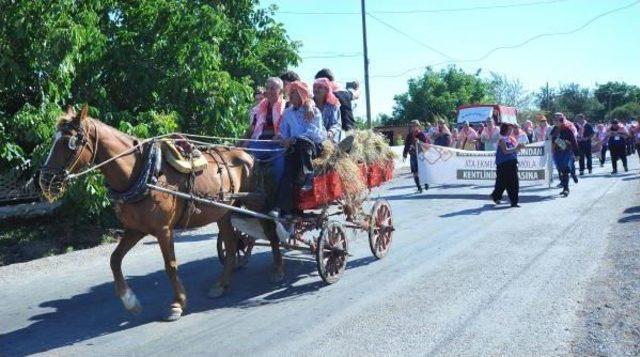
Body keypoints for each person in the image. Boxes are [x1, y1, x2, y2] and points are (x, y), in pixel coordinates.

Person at [272, 81, 326, 219]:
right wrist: (281, 138)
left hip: (313, 146)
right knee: (288, 170)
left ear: (302, 95)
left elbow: (314, 133)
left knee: (303, 143)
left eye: (294, 94)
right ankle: (284, 208)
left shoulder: (313, 111)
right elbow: (284, 131)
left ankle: (308, 176)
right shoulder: (288, 113)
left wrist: (294, 139)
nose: (290, 97)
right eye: (290, 94)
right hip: (295, 148)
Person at [245, 77, 286, 195]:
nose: (269, 91)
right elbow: (253, 129)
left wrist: (280, 137)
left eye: (273, 88)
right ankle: (248, 194)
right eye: (267, 88)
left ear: (281, 91)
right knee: (244, 159)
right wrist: (244, 143)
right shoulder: (260, 108)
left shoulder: (287, 107)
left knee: (279, 169)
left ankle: (276, 199)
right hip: (260, 143)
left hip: (278, 145)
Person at [314, 68, 360, 132]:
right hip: (350, 129)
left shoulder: (324, 93)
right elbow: (357, 94)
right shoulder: (344, 91)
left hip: (335, 132)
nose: (316, 88)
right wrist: (357, 87)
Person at [490, 124, 525, 207]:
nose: (511, 131)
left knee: (514, 183)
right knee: (501, 184)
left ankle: (514, 202)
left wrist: (519, 148)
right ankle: (495, 196)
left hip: (512, 163)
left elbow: (514, 150)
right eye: (509, 129)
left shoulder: (511, 139)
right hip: (503, 164)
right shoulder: (501, 139)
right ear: (504, 130)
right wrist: (516, 148)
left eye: (511, 129)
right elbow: (505, 151)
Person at [550, 113, 578, 197]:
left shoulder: (567, 128)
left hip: (566, 152)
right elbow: (551, 139)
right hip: (557, 152)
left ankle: (566, 189)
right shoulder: (554, 129)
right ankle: (571, 173)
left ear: (561, 120)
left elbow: (573, 141)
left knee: (565, 169)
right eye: (554, 120)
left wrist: (576, 154)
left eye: (557, 120)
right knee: (560, 169)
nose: (555, 121)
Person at [403, 120, 430, 193]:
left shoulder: (421, 134)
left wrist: (419, 142)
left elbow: (426, 145)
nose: (413, 127)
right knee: (415, 172)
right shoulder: (409, 135)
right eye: (412, 126)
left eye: (415, 125)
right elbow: (406, 145)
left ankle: (426, 183)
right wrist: (404, 154)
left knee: (422, 170)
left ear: (418, 126)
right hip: (413, 155)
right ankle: (419, 187)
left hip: (421, 155)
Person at [313, 78, 342, 143]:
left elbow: (337, 123)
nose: (316, 90)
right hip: (312, 137)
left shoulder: (333, 105)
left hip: (329, 138)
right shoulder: (308, 105)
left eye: (319, 87)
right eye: (314, 87)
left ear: (326, 90)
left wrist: (331, 131)